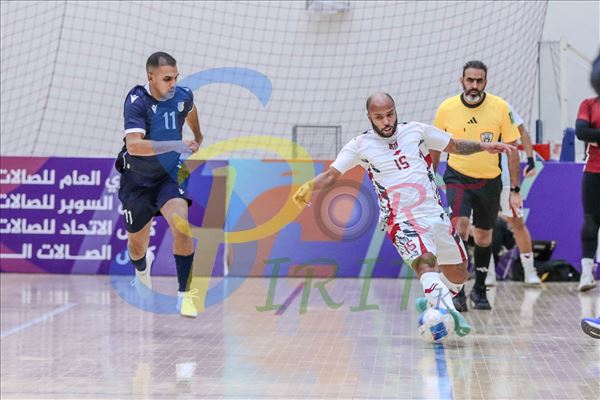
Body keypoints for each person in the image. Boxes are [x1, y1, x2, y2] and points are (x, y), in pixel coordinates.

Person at [293, 92, 515, 338]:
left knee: (459, 273)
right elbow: (331, 175)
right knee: (426, 263)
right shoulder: (360, 145)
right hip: (401, 220)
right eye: (379, 117)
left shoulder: (416, 131)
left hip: (435, 214)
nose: (386, 121)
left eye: (390, 114)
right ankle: (449, 313)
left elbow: (453, 145)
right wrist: (309, 186)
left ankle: (433, 301)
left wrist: (484, 146)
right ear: (369, 117)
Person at [115, 51, 203, 318]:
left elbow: (189, 108)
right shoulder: (137, 101)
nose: (173, 83)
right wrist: (175, 144)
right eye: (167, 79)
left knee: (182, 227)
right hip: (137, 181)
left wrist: (198, 135)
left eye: (175, 77)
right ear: (151, 78)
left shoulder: (182, 95)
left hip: (168, 175)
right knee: (136, 247)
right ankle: (142, 270)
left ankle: (185, 295)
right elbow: (134, 146)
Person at [431, 60, 522, 311]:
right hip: (457, 176)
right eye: (470, 80)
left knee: (483, 235)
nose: (474, 85)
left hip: (489, 180)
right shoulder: (447, 108)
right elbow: (435, 145)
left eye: (479, 80)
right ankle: (457, 289)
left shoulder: (500, 107)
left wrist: (515, 190)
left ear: (485, 82)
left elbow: (513, 150)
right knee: (460, 227)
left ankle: (480, 289)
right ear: (461, 80)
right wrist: (429, 179)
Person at [485, 104, 541, 287]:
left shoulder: (501, 107)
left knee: (517, 223)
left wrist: (531, 160)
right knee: (483, 227)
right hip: (480, 178)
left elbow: (522, 131)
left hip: (506, 178)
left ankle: (530, 272)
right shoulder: (461, 111)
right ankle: (487, 273)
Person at [578, 50, 600, 339]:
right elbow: (581, 131)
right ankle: (586, 273)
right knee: (590, 222)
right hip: (593, 172)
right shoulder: (589, 104)